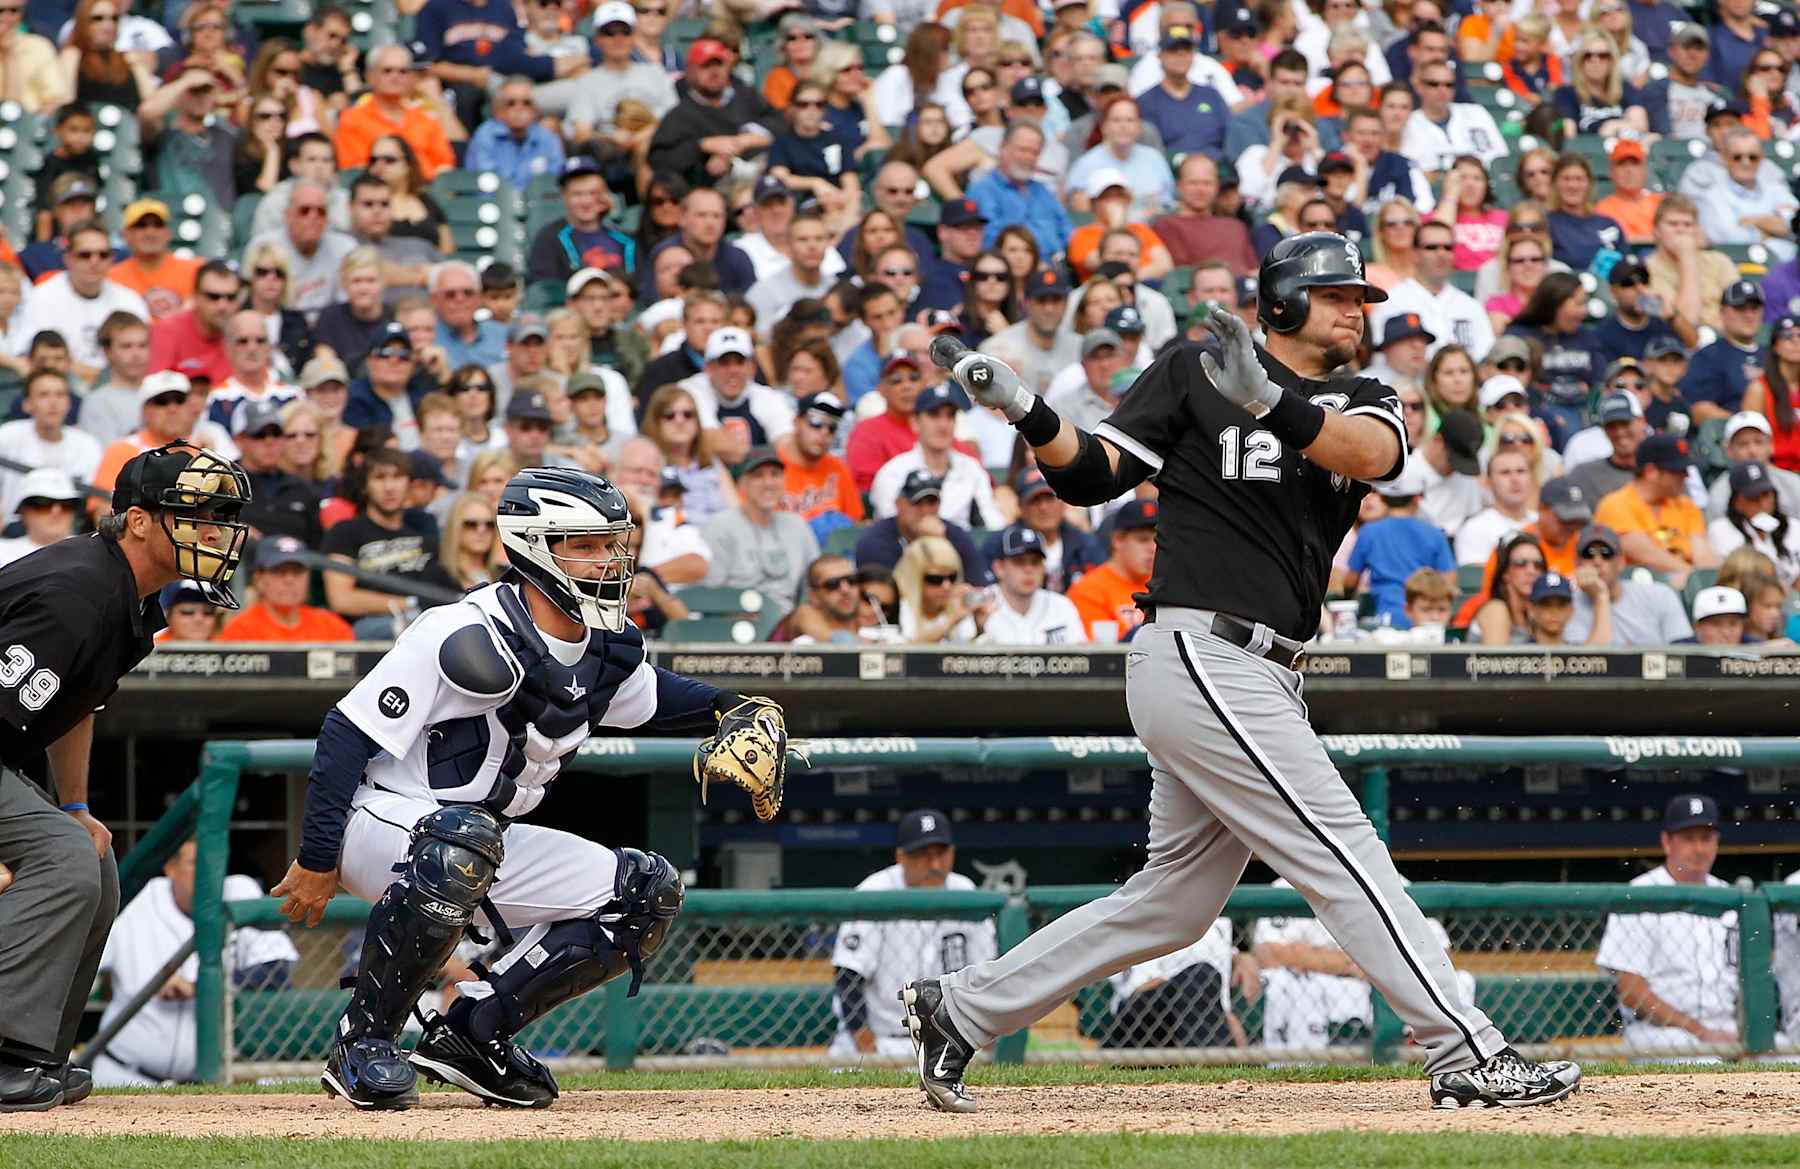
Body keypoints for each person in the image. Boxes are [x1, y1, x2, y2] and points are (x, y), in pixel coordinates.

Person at [903, 231, 1581, 1113]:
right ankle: (1466, 1051)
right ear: (1285, 301)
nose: (1354, 310)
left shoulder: (1361, 394)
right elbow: (1092, 476)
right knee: (1344, 849)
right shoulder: (1193, 371)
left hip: (1264, 668)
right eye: (1337, 295)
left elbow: (1370, 455)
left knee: (1172, 907)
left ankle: (961, 1008)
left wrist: (1269, 399)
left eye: (1359, 297)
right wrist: (1030, 410)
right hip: (1203, 650)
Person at [274, 465, 784, 1109]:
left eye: (613, 542)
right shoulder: (462, 628)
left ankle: (474, 1033)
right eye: (587, 543)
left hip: (480, 843)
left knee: (643, 892)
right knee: (460, 841)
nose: (610, 558)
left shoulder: (606, 645)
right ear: (534, 546)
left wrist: (732, 708)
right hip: (380, 823)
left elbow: (658, 698)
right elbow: (346, 732)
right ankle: (364, 1040)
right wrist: (318, 857)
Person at [0, 442, 248, 1111]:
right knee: (59, 857)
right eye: (197, 514)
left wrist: (75, 804)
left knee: (89, 854)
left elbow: (76, 705)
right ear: (139, 520)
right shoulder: (77, 592)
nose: (215, 531)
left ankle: (34, 1051)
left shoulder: (124, 592)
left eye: (221, 516)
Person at [89, 837, 296, 1086]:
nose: (208, 872)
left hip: (210, 1084)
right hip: (125, 1074)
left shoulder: (239, 891)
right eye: (195, 863)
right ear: (170, 868)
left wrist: (200, 987)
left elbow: (277, 971)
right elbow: (81, 966)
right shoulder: (137, 904)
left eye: (215, 862)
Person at [830, 810, 996, 1061]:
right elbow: (848, 976)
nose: (935, 865)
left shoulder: (965, 893)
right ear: (901, 858)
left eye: (941, 853)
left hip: (949, 1042)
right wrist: (865, 1041)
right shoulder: (875, 893)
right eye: (922, 855)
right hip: (881, 1039)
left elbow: (986, 977)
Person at [1595, 795, 1739, 1057]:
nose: (1699, 849)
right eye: (1689, 838)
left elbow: (1750, 983)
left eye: (1706, 839)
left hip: (1728, 1028)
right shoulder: (1639, 895)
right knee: (1705, 1066)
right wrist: (1701, 1032)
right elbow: (1631, 992)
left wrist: (1747, 1035)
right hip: (1659, 1032)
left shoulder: (1730, 897)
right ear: (1667, 842)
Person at [320, 448, 458, 638]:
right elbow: (341, 599)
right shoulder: (345, 531)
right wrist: (410, 603)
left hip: (429, 618)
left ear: (409, 484)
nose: (389, 487)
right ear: (365, 486)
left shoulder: (424, 527)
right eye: (380, 478)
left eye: (397, 477)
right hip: (375, 624)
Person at [645, 37, 777, 191]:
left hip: (762, 176)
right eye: (706, 66)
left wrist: (746, 140)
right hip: (710, 191)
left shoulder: (746, 96)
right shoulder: (681, 113)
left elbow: (782, 125)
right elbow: (660, 160)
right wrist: (702, 146)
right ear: (690, 71)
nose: (714, 72)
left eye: (719, 64)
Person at [700, 448, 820, 609]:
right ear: (741, 484)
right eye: (758, 475)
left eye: (775, 474)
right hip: (739, 620)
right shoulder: (720, 526)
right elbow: (709, 592)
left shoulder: (798, 525)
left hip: (791, 619)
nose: (768, 483)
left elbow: (816, 583)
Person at [1593, 433, 1719, 586]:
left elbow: (1703, 553)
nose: (1685, 476)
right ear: (1651, 472)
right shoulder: (1615, 504)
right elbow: (1645, 554)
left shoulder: (1686, 505)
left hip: (1688, 586)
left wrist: (1705, 579)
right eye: (1677, 471)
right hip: (1638, 587)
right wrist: (1693, 577)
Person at [1347, 464, 1454, 627]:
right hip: (1426, 619)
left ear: (1383, 497)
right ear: (1418, 497)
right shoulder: (1435, 534)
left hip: (1384, 620)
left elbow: (1350, 581)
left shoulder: (1369, 532)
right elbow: (1448, 581)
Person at [1372, 220, 1494, 360]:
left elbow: (1487, 359)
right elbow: (1379, 359)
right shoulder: (1392, 302)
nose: (1441, 253)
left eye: (1447, 247)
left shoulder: (1471, 307)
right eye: (1431, 247)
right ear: (1414, 253)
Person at [334, 44, 454, 180]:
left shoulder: (426, 121)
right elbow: (354, 170)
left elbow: (444, 166)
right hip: (374, 194)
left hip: (422, 193)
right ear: (370, 76)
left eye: (403, 71)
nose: (395, 76)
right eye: (387, 71)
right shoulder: (351, 120)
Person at [1683, 125, 1798, 264]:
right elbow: (1730, 239)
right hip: (1738, 269)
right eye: (1737, 157)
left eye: (1753, 157)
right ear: (1724, 159)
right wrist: (1775, 229)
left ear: (1761, 158)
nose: (1746, 162)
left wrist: (1755, 221)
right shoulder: (1711, 196)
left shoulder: (1776, 189)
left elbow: (1796, 224)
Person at [1563, 523, 1693, 645]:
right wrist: (1601, 598)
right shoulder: (1568, 605)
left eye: (1606, 554)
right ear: (1576, 564)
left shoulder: (1660, 595)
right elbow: (1589, 664)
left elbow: (1684, 653)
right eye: (1588, 554)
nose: (1597, 561)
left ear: (1621, 562)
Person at [855, 470, 989, 584]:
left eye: (932, 502)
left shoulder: (954, 535)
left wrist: (942, 544)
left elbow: (978, 583)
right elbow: (894, 594)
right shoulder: (875, 541)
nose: (925, 511)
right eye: (917, 503)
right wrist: (929, 545)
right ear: (899, 504)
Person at [0, 368, 101, 519]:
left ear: (69, 403)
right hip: (13, 528)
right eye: (43, 395)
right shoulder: (6, 436)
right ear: (27, 404)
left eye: (60, 395)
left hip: (69, 533)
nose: (53, 402)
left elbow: (96, 500)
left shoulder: (88, 445)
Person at [967, 123, 1071, 257]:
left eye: (1034, 153)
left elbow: (1067, 232)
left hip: (1054, 269)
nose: (1028, 157)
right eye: (1023, 150)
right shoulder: (983, 190)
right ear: (1003, 148)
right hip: (1008, 271)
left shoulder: (1043, 192)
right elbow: (990, 239)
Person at [1062, 498, 1158, 642]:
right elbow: (1104, 657)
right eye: (1143, 539)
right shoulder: (1087, 590)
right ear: (1118, 540)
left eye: (1158, 540)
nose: (1153, 548)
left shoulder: (1167, 585)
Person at [976, 526, 1087, 645]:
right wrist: (979, 630)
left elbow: (1082, 657)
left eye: (1035, 562)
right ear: (999, 568)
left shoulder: (1062, 606)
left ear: (1044, 568)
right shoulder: (979, 605)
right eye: (1019, 561)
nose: (1028, 570)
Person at [1400, 58, 1506, 179]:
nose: (1442, 90)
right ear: (1419, 86)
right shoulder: (1407, 122)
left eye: (1449, 85)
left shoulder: (1476, 113)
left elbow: (1500, 157)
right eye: (1434, 84)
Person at [1153, 155, 1258, 275]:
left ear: (1217, 187)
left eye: (1207, 183)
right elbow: (1180, 273)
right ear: (1179, 186)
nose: (1200, 189)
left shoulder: (1237, 226)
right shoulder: (1167, 225)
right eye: (1193, 183)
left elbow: (1253, 269)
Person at [777, 390, 861, 528]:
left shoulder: (837, 468)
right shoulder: (769, 468)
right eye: (816, 422)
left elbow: (854, 522)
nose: (824, 432)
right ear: (796, 422)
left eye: (832, 427)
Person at [1708, 461, 1800, 584]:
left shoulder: (1794, 527)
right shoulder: (1721, 531)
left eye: (1766, 495)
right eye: (1753, 497)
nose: (1762, 503)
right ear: (1736, 502)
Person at [0, 469, 82, 569]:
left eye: (67, 504)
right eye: (43, 503)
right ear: (22, 510)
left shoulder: (91, 553)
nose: (56, 511)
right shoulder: (2, 553)